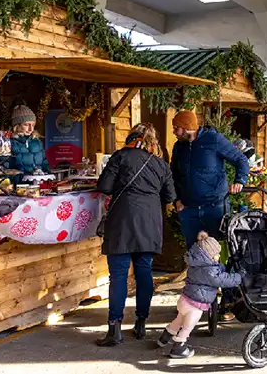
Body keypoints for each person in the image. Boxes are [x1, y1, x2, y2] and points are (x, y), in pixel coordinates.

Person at [96, 123, 176, 347]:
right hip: (149, 224)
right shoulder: (161, 164)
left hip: (121, 223)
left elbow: (104, 186)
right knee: (144, 273)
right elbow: (170, 196)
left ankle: (114, 330)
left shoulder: (121, 156)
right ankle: (141, 324)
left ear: (131, 137)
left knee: (119, 276)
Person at [157, 231, 246, 358]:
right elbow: (223, 280)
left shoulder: (196, 264)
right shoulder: (210, 271)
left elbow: (215, 269)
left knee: (179, 319)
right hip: (195, 306)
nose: (219, 255)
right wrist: (239, 276)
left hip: (185, 300)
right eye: (217, 254)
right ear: (209, 255)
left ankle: (164, 338)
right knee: (187, 327)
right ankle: (178, 348)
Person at [171, 110, 250, 248]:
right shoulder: (179, 147)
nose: (174, 131)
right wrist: (176, 200)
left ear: (186, 127)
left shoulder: (214, 140)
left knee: (217, 250)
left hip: (215, 208)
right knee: (193, 252)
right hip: (188, 209)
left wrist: (240, 181)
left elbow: (240, 159)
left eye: (176, 128)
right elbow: (173, 175)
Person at [9, 105, 50, 176]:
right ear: (16, 125)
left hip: (36, 184)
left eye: (33, 125)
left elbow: (44, 163)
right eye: (26, 125)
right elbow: (5, 168)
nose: (31, 129)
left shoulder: (37, 142)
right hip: (17, 185)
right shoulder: (9, 143)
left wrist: (47, 174)